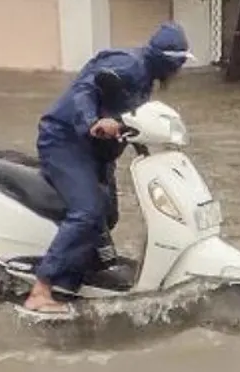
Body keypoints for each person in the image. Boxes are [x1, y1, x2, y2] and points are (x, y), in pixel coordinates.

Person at [23, 23, 191, 315]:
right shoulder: (128, 66)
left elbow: (131, 117)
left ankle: (77, 272)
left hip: (95, 150)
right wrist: (91, 122)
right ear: (168, 61)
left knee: (108, 213)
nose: (179, 72)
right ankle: (41, 289)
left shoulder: (146, 78)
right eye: (178, 64)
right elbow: (84, 89)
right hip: (65, 142)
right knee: (87, 211)